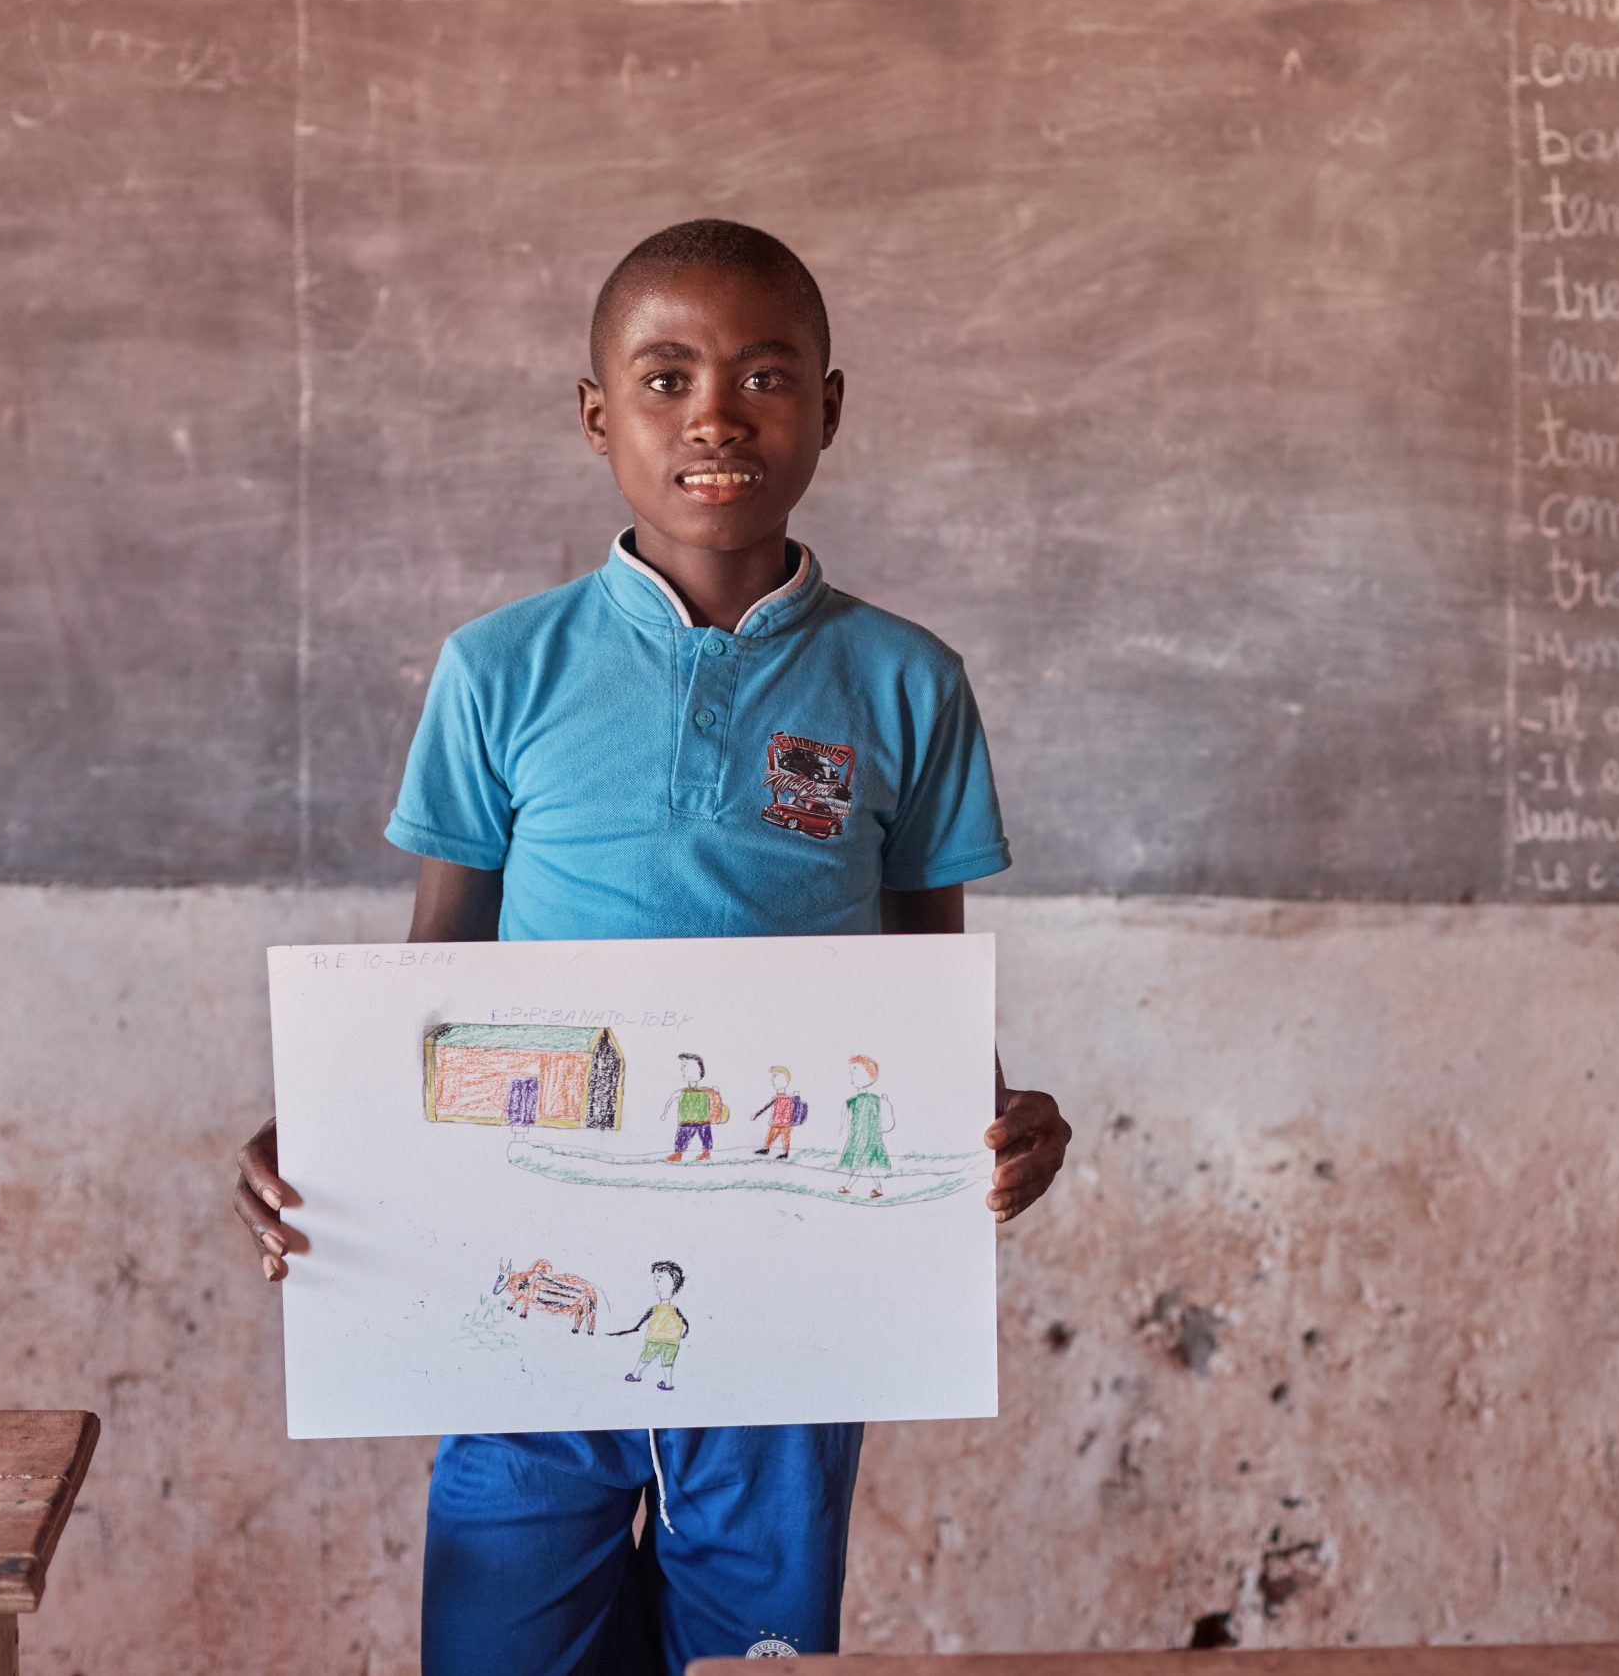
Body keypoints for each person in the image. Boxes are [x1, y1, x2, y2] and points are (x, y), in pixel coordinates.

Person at [229, 219, 1074, 1675]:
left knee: (753, 1661)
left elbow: (926, 984)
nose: (717, 415)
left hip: (789, 1313)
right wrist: (331, 1123)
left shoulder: (907, 682)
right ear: (596, 412)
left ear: (831, 407)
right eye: (668, 376)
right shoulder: (501, 667)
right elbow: (436, 975)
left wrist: (997, 1127)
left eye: (765, 375)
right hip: (523, 1298)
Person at [610, 1260, 691, 1390]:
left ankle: (640, 1376)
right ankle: (662, 1382)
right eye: (656, 1280)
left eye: (659, 1279)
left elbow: (683, 1321)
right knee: (662, 1361)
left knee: (652, 1358)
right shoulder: (659, 1309)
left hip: (657, 1338)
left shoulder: (663, 1309)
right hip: (669, 1340)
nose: (657, 1284)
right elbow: (642, 1321)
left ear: (674, 1283)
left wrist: (686, 1330)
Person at [836, 1055, 895, 1199]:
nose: (851, 1073)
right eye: (852, 1070)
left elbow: (888, 1121)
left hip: (869, 1138)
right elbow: (844, 1113)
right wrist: (842, 1127)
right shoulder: (852, 1101)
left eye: (855, 1069)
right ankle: (877, 1188)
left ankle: (849, 1187)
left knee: (862, 1164)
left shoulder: (876, 1100)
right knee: (867, 1165)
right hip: (858, 1138)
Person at [659, 1052, 726, 1162]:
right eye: (682, 1066)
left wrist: (716, 1106)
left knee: (705, 1136)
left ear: (697, 1070)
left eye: (684, 1066)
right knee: (682, 1136)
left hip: (702, 1119)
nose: (681, 1069)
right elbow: (672, 1098)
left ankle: (706, 1152)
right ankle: (678, 1154)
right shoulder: (682, 1091)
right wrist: (664, 1113)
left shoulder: (706, 1091)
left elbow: (716, 1100)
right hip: (686, 1119)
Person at [756, 1064, 802, 1159]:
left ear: (785, 1080)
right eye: (773, 1077)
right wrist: (757, 1114)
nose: (772, 1080)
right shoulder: (777, 1097)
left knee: (785, 1138)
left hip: (785, 1123)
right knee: (771, 1135)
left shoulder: (790, 1098)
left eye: (775, 1076)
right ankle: (766, 1148)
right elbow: (766, 1106)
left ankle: (785, 1153)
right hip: (776, 1122)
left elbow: (797, 1107)